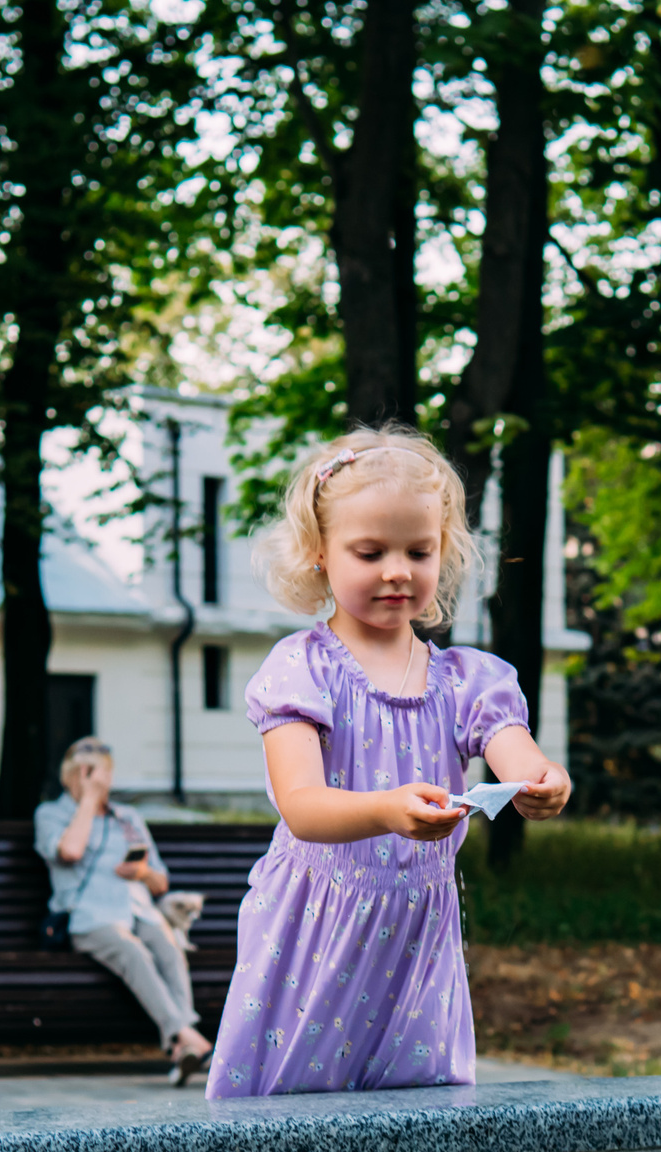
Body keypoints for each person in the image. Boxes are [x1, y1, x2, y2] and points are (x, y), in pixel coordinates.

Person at [207, 425, 571, 1098]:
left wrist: (540, 779)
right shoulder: (302, 668)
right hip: (313, 929)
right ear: (319, 553)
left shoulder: (464, 678)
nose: (397, 569)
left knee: (416, 1104)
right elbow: (303, 806)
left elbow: (511, 746)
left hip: (415, 930)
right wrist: (385, 809)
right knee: (286, 1113)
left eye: (418, 550)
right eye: (370, 551)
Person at [35, 737, 213, 1083]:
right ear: (70, 776)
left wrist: (142, 873)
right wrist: (87, 800)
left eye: (101, 774)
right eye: (85, 773)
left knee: (168, 946)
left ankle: (183, 1048)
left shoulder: (127, 818)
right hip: (88, 919)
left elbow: (160, 883)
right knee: (133, 952)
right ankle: (187, 1036)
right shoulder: (51, 814)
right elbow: (70, 852)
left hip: (139, 912)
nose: (97, 781)